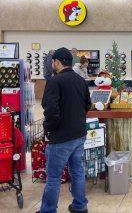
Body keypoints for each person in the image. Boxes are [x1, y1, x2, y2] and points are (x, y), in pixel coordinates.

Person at [37, 47, 91, 213]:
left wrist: (49, 129)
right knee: (77, 172)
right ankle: (80, 206)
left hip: (60, 138)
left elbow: (50, 109)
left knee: (53, 177)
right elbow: (87, 104)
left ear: (57, 62)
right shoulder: (80, 80)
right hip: (79, 134)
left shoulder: (55, 81)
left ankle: (48, 210)